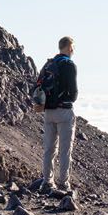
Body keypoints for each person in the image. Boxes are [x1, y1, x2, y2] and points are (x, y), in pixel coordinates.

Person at [37, 36, 78, 192]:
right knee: (65, 150)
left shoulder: (49, 64)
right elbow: (73, 93)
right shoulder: (69, 65)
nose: (73, 50)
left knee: (49, 149)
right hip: (64, 112)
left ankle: (47, 182)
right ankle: (63, 183)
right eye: (73, 47)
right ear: (69, 48)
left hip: (48, 111)